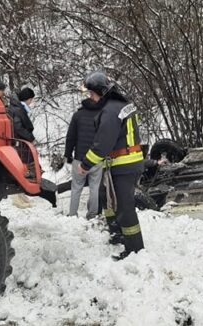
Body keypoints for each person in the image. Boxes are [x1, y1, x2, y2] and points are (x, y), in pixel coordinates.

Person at [78, 71, 145, 260]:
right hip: (124, 163)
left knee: (124, 207)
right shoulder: (120, 106)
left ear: (101, 91)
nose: (90, 98)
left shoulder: (110, 111)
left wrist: (85, 164)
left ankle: (135, 249)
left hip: (124, 164)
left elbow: (103, 143)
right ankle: (117, 233)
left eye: (92, 94)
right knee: (105, 198)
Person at [65, 95, 104, 219]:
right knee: (94, 187)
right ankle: (92, 214)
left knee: (76, 187)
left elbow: (70, 137)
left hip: (80, 159)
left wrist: (68, 154)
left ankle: (72, 214)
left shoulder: (78, 115)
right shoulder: (102, 115)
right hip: (96, 158)